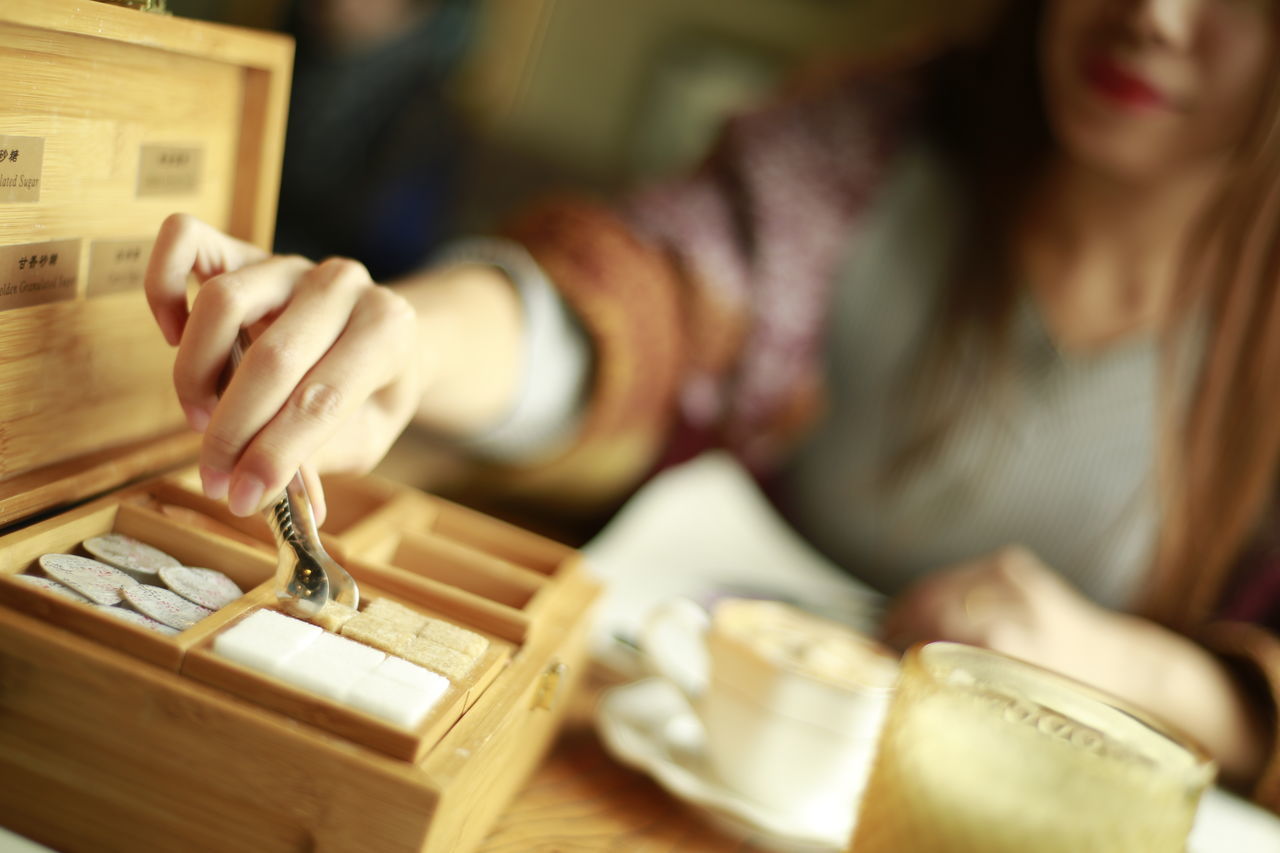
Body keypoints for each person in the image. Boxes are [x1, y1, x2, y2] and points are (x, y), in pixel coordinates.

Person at [144, 0, 1280, 806]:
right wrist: (412, 342)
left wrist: (1153, 678)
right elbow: (639, 294)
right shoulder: (867, 145)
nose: (1154, 14)